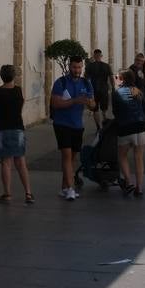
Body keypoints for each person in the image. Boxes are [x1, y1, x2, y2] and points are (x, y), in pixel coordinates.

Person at [0, 64, 33, 204]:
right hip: (17, 129)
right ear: (14, 76)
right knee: (21, 162)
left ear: (2, 76)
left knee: (6, 162)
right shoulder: (20, 91)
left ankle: (7, 193)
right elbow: (21, 106)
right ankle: (28, 193)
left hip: (1, 129)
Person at [50, 55, 95, 200]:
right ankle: (70, 188)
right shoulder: (60, 83)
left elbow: (93, 104)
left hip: (77, 125)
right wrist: (75, 100)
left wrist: (90, 103)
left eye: (80, 67)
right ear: (69, 67)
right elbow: (56, 104)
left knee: (72, 158)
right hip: (62, 124)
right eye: (75, 67)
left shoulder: (86, 83)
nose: (77, 70)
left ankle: (64, 187)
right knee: (67, 155)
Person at [112, 69, 145, 198]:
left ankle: (128, 182)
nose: (116, 78)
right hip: (141, 127)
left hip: (125, 127)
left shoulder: (117, 92)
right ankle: (139, 188)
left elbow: (115, 111)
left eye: (117, 77)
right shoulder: (138, 91)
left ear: (122, 79)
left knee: (122, 156)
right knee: (138, 158)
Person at [84, 49, 113, 126]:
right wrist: (113, 88)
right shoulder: (107, 66)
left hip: (94, 90)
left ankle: (98, 127)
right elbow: (111, 78)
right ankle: (105, 123)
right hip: (104, 90)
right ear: (101, 56)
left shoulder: (89, 66)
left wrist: (88, 91)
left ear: (94, 56)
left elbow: (86, 79)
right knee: (104, 109)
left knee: (95, 110)